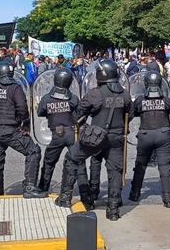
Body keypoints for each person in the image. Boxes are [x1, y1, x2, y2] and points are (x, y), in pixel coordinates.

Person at [55, 60, 131, 221]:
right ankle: (113, 209)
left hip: (95, 137)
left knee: (71, 158)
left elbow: (77, 114)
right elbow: (129, 115)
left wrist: (85, 125)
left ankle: (65, 197)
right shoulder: (125, 94)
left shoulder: (95, 93)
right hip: (116, 138)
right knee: (115, 171)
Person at [0, 62, 46, 199]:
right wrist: (25, 124)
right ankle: (29, 187)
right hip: (10, 130)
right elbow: (22, 109)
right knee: (33, 151)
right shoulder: (14, 88)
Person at [128, 71, 170, 207]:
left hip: (145, 135)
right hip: (164, 134)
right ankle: (167, 198)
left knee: (140, 165)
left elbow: (133, 113)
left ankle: (135, 193)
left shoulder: (140, 100)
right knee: (164, 167)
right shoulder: (166, 100)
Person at [36, 68, 79, 192]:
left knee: (49, 162)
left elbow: (40, 112)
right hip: (72, 133)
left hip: (57, 134)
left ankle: (43, 188)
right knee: (77, 163)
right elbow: (79, 115)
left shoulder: (46, 99)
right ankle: (85, 195)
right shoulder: (73, 98)